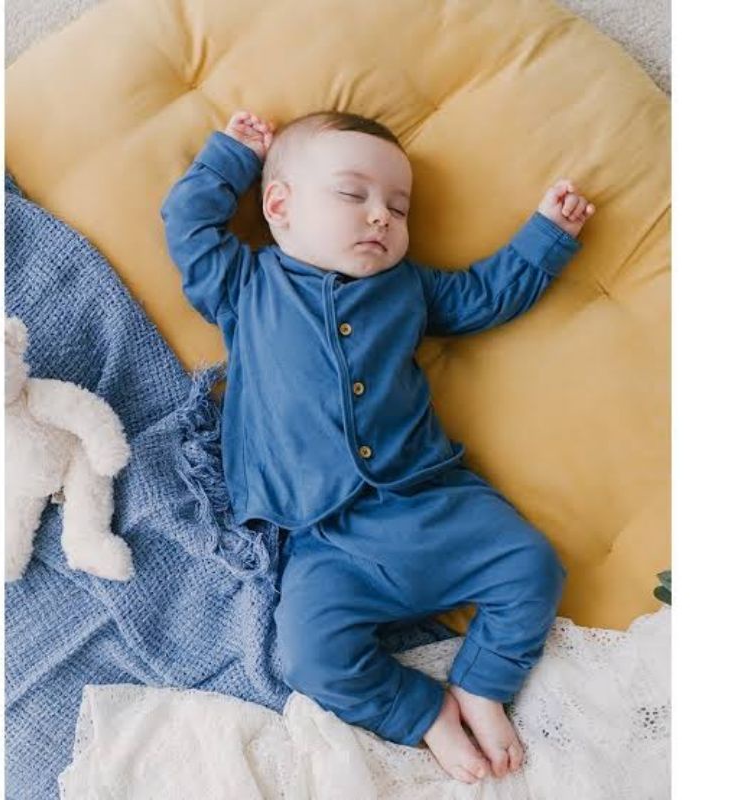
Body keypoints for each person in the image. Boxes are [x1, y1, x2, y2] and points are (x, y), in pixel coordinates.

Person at [161, 108, 595, 784]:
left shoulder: (407, 287)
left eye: (398, 206)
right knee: (310, 657)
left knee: (532, 566)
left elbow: (485, 294)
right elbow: (187, 225)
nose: (380, 217)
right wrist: (233, 157)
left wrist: (547, 236)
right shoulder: (245, 286)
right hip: (324, 538)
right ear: (279, 207)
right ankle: (425, 712)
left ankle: (481, 684)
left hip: (433, 501)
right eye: (352, 194)